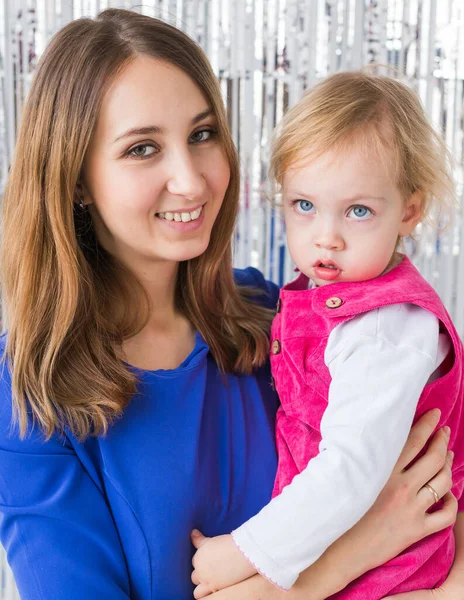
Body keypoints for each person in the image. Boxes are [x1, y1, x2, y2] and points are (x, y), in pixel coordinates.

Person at [0, 10, 457, 600]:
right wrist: (349, 555)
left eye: (202, 134)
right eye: (143, 148)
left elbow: (448, 523)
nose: (190, 180)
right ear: (77, 181)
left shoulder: (287, 318)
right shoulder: (29, 394)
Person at [191, 71, 464, 599]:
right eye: (304, 206)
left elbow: (350, 470)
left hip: (391, 569)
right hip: (336, 542)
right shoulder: (316, 299)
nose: (327, 237)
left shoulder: (385, 327)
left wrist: (244, 552)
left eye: (358, 211)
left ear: (409, 210)